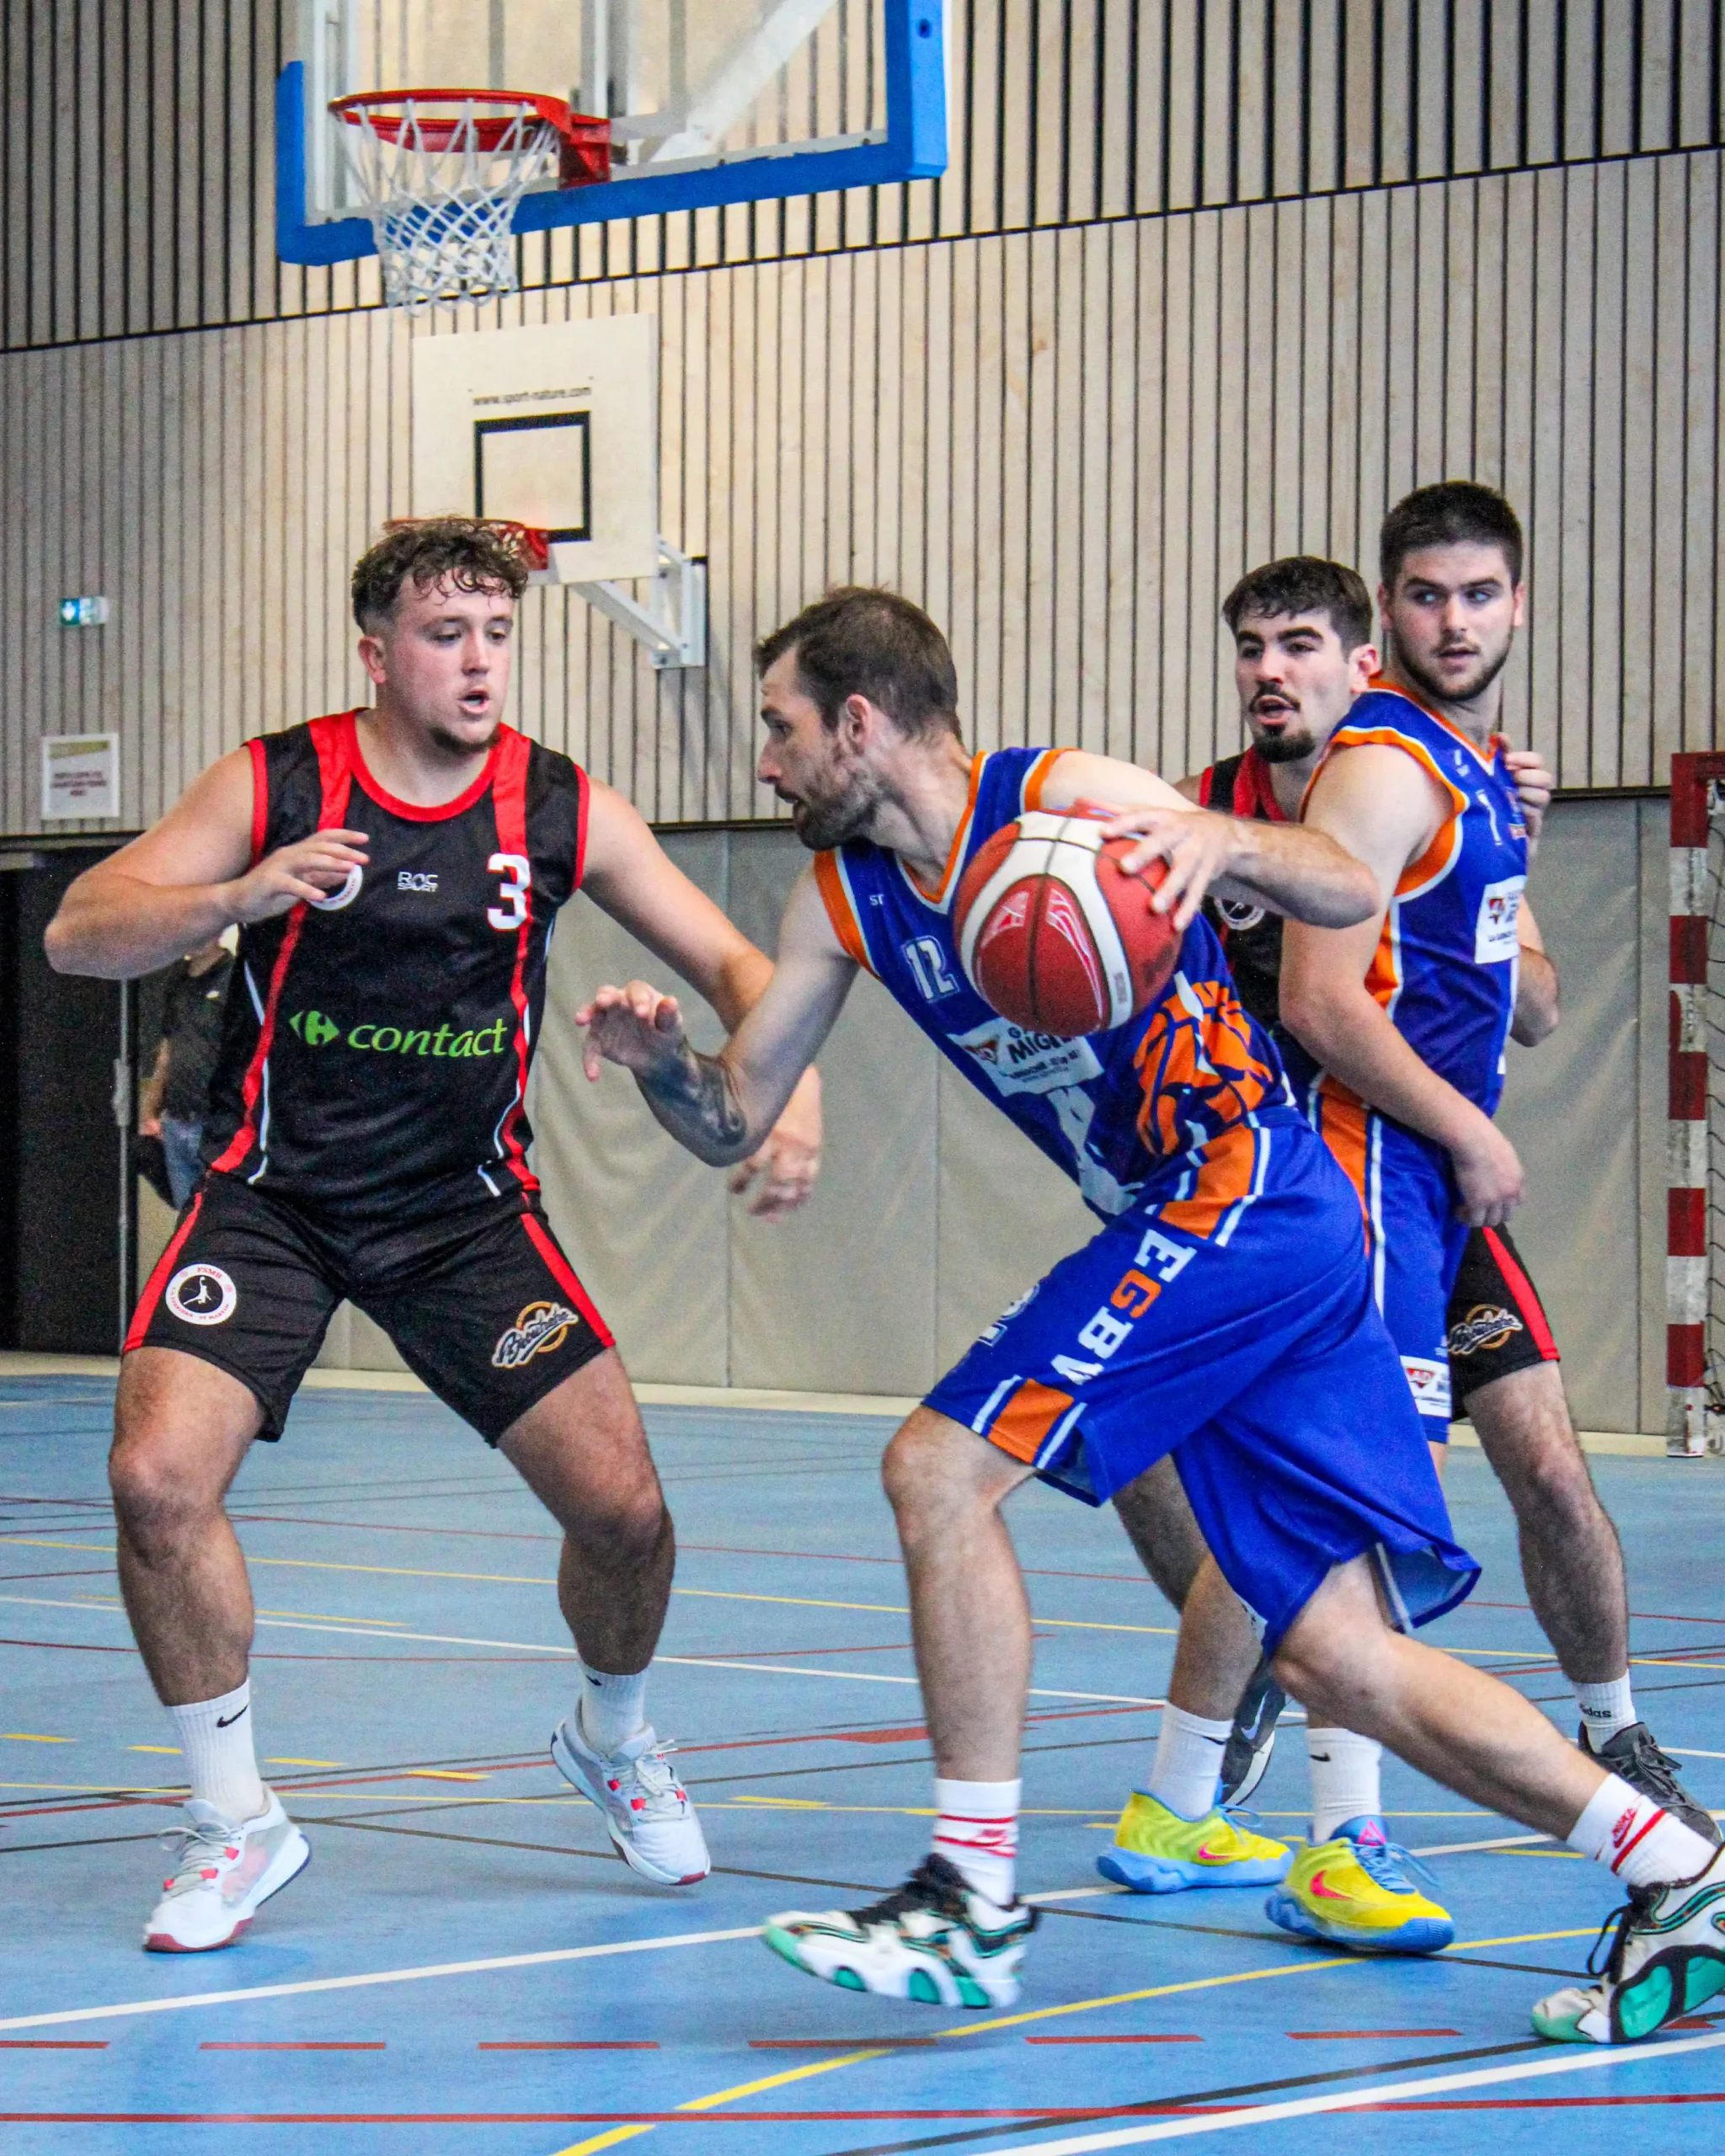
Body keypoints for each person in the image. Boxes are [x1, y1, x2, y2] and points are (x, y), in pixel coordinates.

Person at [579, 585, 1725, 2047]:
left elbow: (1344, 888)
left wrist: (1222, 840)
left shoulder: (1069, 799)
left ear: (858, 723)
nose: (767, 762)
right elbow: (737, 1115)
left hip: (1246, 1182)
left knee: (937, 1469)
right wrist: (667, 1066)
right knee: (1332, 1657)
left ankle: (968, 1895)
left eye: (781, 728)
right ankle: (1677, 1871)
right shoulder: (842, 901)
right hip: (1219, 1225)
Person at [45, 519, 821, 1955]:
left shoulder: (558, 805)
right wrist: (235, 895)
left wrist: (794, 1086)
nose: (477, 663)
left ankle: (614, 1736)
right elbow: (79, 929)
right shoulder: (278, 781)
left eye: (497, 636)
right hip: (272, 1203)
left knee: (625, 1515)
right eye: (444, 635)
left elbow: (738, 963)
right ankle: (234, 1818)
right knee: (155, 1480)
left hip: (461, 1215)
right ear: (376, 653)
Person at [1103, 528, 1713, 1961]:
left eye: (1296, 645)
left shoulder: (1453, 782)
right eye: (1251, 648)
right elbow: (1311, 1004)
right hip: (1335, 1166)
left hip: (1424, 1177)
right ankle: (1323, 1828)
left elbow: (1533, 1001)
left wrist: (1503, 856)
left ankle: (1593, 1737)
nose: (1270, 671)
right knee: (1335, 1494)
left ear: (1353, 657)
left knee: (1520, 1470)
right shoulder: (1236, 805)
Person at [138, 933, 235, 1206]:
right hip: (176, 1122)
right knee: (185, 1216)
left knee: (217, 1213)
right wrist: (149, 1111)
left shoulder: (234, 978)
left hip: (215, 1124)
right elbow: (167, 1049)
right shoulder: (178, 980)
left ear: (218, 929)